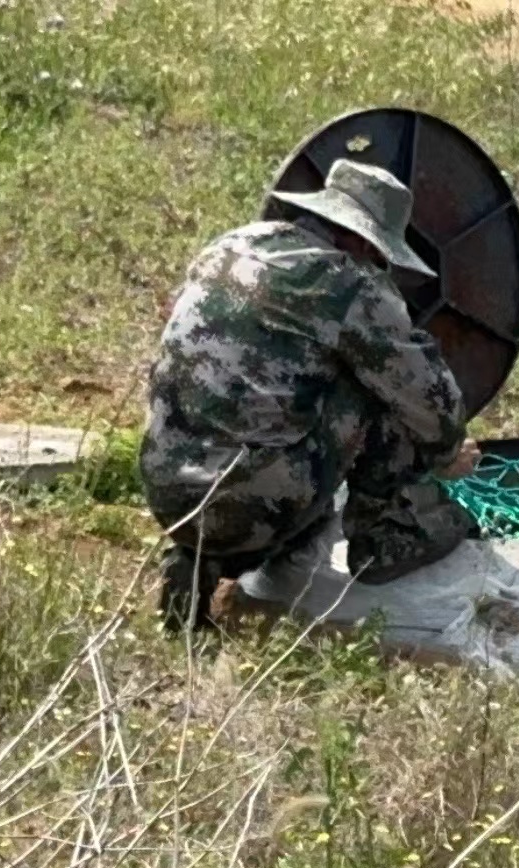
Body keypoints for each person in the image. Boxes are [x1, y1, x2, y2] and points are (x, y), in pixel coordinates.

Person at [142, 158, 481, 633]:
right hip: (256, 505)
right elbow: (428, 396)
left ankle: (203, 554)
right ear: (363, 240)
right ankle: (386, 536)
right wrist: (447, 453)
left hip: (168, 492)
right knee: (380, 387)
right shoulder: (349, 285)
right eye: (379, 255)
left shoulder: (232, 244)